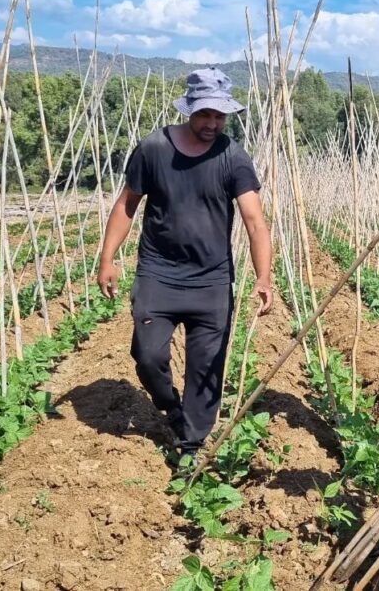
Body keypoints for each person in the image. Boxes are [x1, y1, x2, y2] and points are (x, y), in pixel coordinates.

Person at [97, 67, 273, 465]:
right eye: (205, 114)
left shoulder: (233, 156)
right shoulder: (154, 148)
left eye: (220, 116)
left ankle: (191, 445)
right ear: (189, 109)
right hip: (158, 273)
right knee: (148, 355)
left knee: (206, 369)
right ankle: (171, 409)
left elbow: (254, 220)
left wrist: (264, 276)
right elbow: (127, 204)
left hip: (212, 280)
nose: (213, 123)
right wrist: (107, 259)